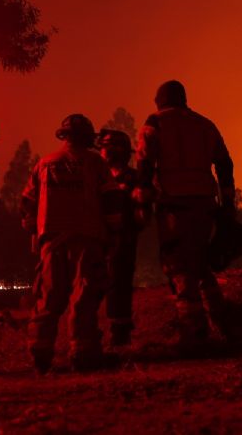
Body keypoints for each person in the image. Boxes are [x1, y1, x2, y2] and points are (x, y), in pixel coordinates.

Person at [134, 80, 235, 353]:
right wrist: (228, 202)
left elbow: (144, 161)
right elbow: (225, 163)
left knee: (178, 264)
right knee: (200, 260)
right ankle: (222, 322)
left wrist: (142, 198)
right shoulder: (205, 124)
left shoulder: (154, 123)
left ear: (159, 100)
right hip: (204, 202)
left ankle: (193, 332)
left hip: (173, 203)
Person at [21, 114, 110, 373]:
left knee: (49, 296)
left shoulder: (44, 164)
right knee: (83, 297)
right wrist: (113, 233)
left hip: (52, 241)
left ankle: (40, 352)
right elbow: (111, 200)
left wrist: (35, 233)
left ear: (64, 136)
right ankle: (83, 354)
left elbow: (27, 204)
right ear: (86, 138)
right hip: (87, 238)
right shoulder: (95, 162)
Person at [97, 129, 145, 347]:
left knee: (119, 283)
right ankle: (89, 331)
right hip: (97, 239)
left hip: (122, 241)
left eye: (105, 150)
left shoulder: (132, 179)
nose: (102, 154)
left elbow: (142, 215)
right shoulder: (97, 178)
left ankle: (119, 331)